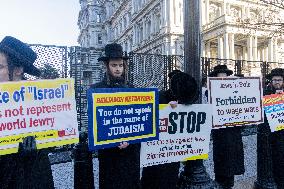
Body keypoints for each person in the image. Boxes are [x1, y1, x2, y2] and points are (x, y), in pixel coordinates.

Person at [0, 36, 54, 188]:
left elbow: (56, 139)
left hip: (32, 177)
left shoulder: (41, 100)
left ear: (17, 70)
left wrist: (38, 148)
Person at [90, 43, 140, 189]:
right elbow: (95, 122)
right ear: (106, 66)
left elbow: (139, 118)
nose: (118, 68)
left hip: (130, 149)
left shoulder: (132, 88)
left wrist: (130, 140)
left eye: (120, 65)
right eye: (114, 65)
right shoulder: (96, 89)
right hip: (109, 151)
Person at [141, 70, 199, 189]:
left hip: (172, 153)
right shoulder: (158, 98)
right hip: (155, 154)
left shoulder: (184, 101)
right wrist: (167, 109)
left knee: (170, 179)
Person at [209, 65, 245, 189]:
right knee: (221, 160)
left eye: (225, 78)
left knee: (233, 160)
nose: (223, 81)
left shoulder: (237, 92)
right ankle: (220, 182)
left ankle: (229, 183)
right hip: (220, 133)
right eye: (220, 79)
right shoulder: (210, 92)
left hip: (234, 132)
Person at [264, 68, 284, 188]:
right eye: (274, 80)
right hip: (273, 135)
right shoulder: (266, 93)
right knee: (277, 159)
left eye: (279, 80)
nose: (277, 82)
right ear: (271, 81)